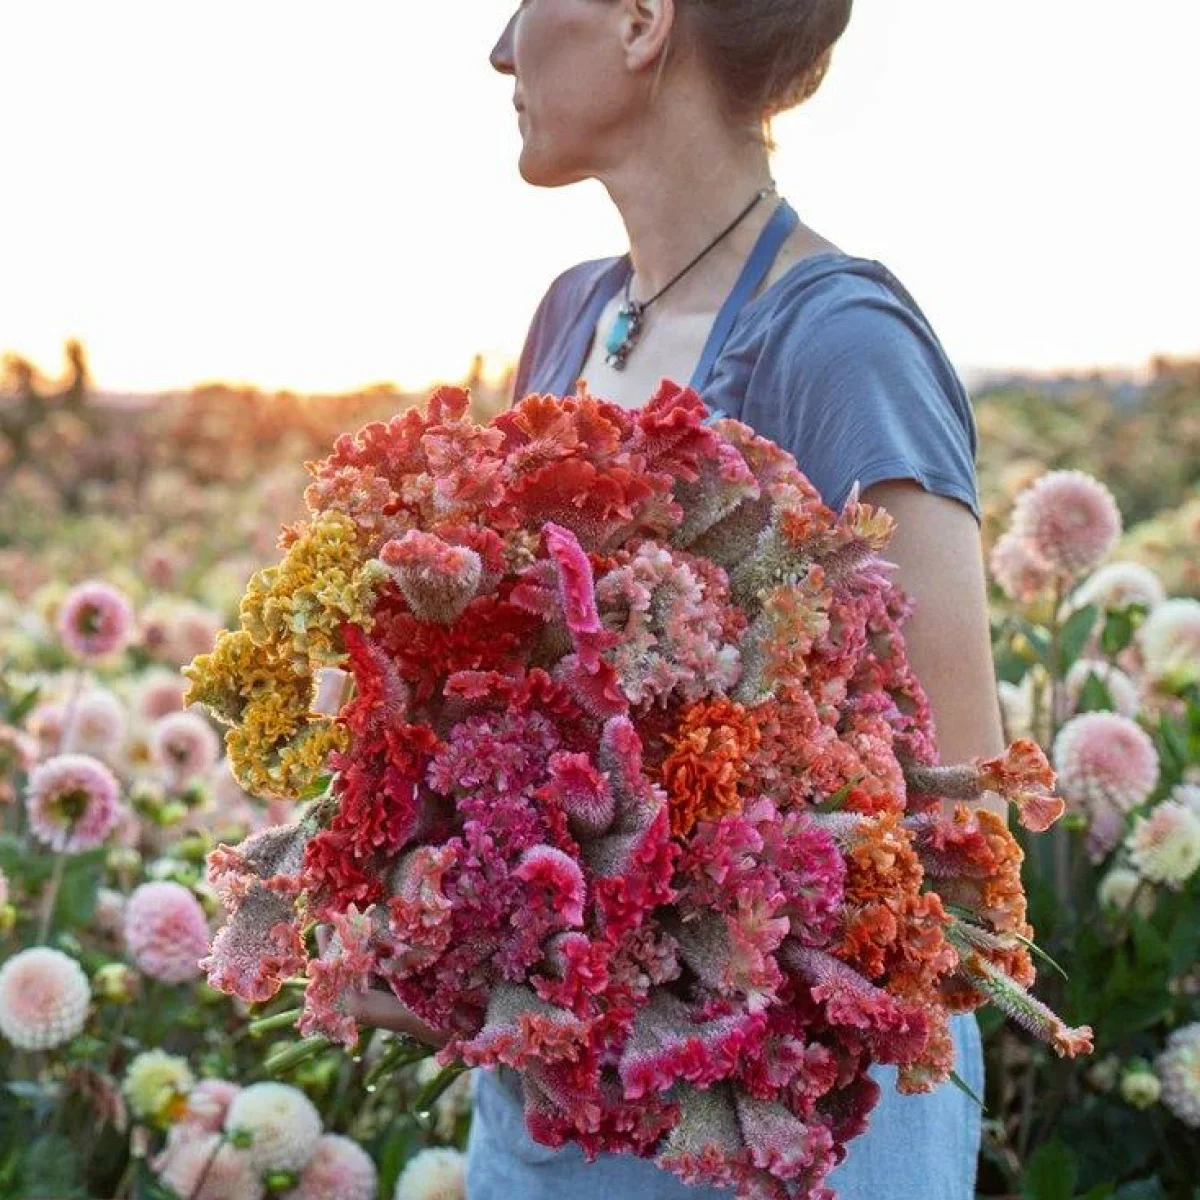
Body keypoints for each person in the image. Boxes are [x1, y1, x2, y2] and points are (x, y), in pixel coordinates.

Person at [352, 1, 1006, 1195]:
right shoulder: (567, 317)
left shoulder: (842, 345)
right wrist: (430, 922)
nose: (501, 45)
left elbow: (960, 835)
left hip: (793, 1147)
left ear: (644, 19)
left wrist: (582, 951)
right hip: (552, 1139)